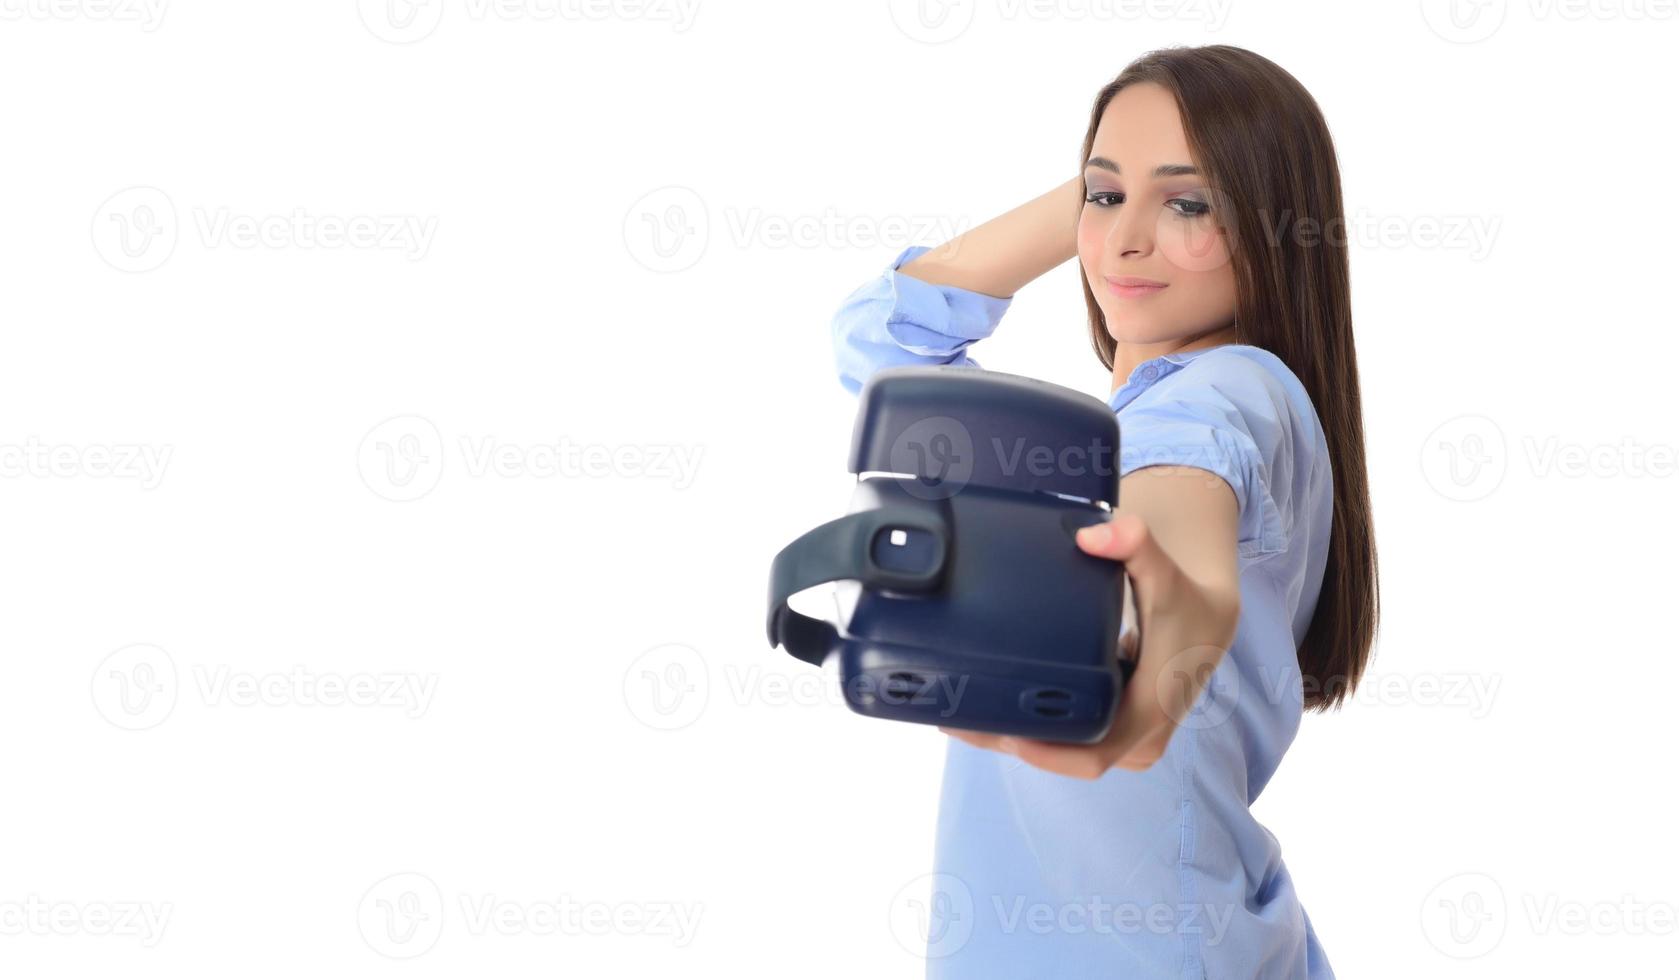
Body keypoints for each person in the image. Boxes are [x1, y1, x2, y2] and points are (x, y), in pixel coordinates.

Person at [829, 45, 1380, 979]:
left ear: (1272, 228)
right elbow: (881, 331)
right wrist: (1126, 185)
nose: (1124, 242)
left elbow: (1182, 492)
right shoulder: (1082, 442)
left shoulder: (1230, 392)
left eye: (1189, 204)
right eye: (1102, 197)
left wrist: (1175, 596)